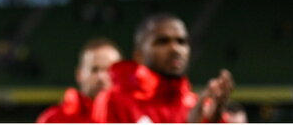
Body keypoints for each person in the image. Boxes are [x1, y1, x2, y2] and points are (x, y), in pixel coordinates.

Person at [92, 13, 235, 123]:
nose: (175, 49)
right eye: (162, 42)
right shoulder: (115, 101)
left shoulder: (200, 107)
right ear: (139, 56)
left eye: (182, 41)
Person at [37, 38, 121, 123]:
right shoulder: (54, 119)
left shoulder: (132, 117)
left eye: (109, 70)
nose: (101, 77)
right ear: (79, 74)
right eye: (94, 70)